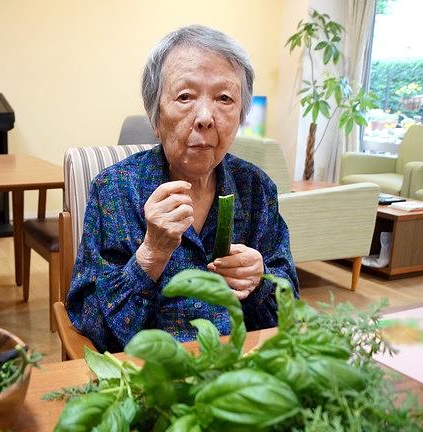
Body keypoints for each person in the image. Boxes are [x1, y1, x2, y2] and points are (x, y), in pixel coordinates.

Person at [67, 25, 298, 352]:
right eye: (185, 96)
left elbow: (289, 313)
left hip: (239, 370)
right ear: (155, 114)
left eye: (224, 98)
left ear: (241, 114)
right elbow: (92, 324)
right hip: (152, 373)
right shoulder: (114, 189)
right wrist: (149, 257)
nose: (205, 117)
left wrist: (260, 282)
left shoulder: (256, 189)